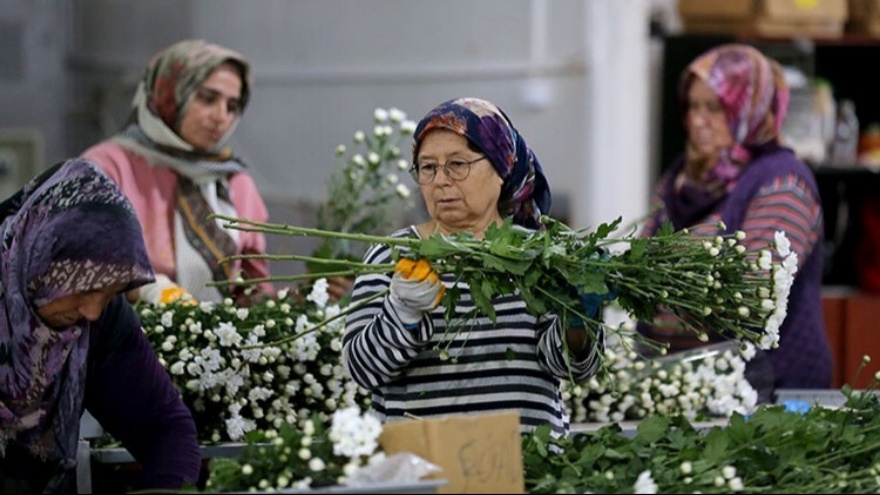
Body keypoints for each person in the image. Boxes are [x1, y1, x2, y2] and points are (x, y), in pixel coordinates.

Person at [342, 97, 605, 436]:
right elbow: (362, 371)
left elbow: (576, 369)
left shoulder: (542, 256)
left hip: (529, 465)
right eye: (428, 167)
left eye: (457, 164)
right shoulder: (393, 256)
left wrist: (579, 318)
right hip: (425, 467)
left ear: (500, 169)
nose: (440, 180)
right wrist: (401, 314)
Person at [639, 43, 833, 400]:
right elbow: (639, 271)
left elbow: (754, 292)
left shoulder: (783, 181)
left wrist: (657, 273)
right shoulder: (678, 180)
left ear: (750, 109)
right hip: (684, 386)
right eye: (693, 106)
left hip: (771, 392)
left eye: (715, 108)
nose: (698, 120)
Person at [0, 158, 201, 493]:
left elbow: (164, 429)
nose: (92, 312)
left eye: (109, 295)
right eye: (86, 288)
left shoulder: (101, 321)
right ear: (41, 259)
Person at [81, 39, 274, 306]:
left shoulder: (234, 183)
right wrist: (151, 291)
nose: (221, 116)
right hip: (122, 339)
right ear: (169, 93)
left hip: (220, 342)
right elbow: (81, 266)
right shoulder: (106, 168)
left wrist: (307, 296)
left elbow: (254, 292)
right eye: (208, 99)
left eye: (232, 106)